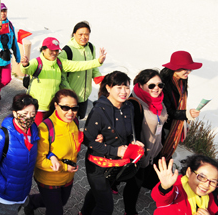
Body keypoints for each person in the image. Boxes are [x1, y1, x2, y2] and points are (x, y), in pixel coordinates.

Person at [79, 71, 145, 215]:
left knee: (97, 193)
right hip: (98, 165)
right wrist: (116, 151)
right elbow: (87, 140)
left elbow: (127, 134)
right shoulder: (99, 111)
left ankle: (84, 212)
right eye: (119, 87)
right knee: (105, 207)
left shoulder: (129, 107)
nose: (124, 92)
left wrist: (134, 142)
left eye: (127, 87)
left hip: (115, 165)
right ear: (108, 88)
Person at [0, 94, 39, 215]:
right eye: (25, 113)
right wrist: (3, 186)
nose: (29, 118)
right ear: (15, 113)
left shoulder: (35, 132)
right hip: (5, 196)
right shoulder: (2, 136)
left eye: (32, 114)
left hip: (23, 191)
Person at [21, 37, 106, 125]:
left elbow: (78, 65)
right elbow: (27, 70)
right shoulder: (37, 62)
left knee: (51, 132)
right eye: (51, 50)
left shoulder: (59, 62)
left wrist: (97, 61)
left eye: (56, 51)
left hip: (53, 107)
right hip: (37, 107)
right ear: (43, 49)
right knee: (36, 132)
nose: (54, 53)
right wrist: (25, 65)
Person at [25, 89, 83, 215]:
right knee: (56, 211)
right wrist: (64, 167)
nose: (70, 112)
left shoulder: (73, 122)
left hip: (68, 177)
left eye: (74, 108)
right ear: (56, 106)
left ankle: (31, 202)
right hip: (48, 180)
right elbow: (39, 161)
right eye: (65, 108)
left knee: (61, 202)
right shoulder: (45, 128)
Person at [122, 69, 168, 215]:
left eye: (160, 85)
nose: (157, 89)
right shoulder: (134, 104)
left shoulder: (159, 101)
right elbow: (130, 131)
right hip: (140, 153)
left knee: (140, 181)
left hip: (153, 151)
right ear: (140, 85)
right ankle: (129, 211)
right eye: (152, 85)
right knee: (135, 184)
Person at [159, 51, 202, 160]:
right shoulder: (163, 84)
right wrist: (186, 114)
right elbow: (166, 111)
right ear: (174, 68)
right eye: (185, 69)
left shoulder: (181, 80)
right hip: (163, 125)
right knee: (161, 153)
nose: (188, 72)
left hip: (174, 123)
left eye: (190, 69)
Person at [59, 21, 103, 119]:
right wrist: (69, 92)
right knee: (69, 121)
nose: (83, 37)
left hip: (84, 95)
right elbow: (62, 75)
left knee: (78, 119)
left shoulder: (91, 48)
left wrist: (98, 77)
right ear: (74, 34)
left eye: (86, 34)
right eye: (80, 34)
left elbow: (93, 67)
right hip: (70, 96)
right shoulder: (67, 51)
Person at [152, 155, 218, 215]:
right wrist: (165, 187)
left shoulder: (212, 200)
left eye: (213, 181)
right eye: (201, 177)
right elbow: (161, 199)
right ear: (189, 172)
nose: (206, 185)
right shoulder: (177, 187)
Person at [0, 3, 20, 111]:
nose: (3, 13)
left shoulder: (10, 25)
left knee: (6, 80)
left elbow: (14, 41)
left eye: (5, 11)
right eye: (1, 11)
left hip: (6, 58)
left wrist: (17, 56)